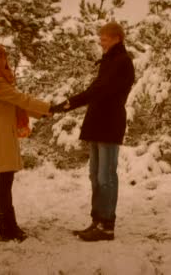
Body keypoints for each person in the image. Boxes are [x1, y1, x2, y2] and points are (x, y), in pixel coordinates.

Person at [51, 22, 135, 242]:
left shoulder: (122, 62)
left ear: (117, 38)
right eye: (101, 38)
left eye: (104, 38)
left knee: (106, 176)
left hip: (109, 123)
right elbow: (96, 90)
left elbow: (100, 90)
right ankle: (97, 220)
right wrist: (68, 104)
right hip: (97, 122)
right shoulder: (109, 61)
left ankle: (107, 226)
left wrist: (70, 103)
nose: (101, 41)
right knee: (95, 175)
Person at [0, 42, 52, 242]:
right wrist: (49, 108)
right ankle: (7, 229)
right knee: (4, 182)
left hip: (2, 133)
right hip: (0, 134)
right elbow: (20, 99)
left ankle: (8, 227)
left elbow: (16, 104)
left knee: (5, 182)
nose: (3, 61)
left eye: (3, 56)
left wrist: (43, 113)